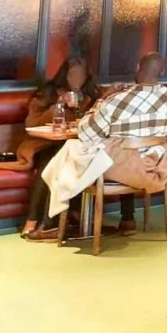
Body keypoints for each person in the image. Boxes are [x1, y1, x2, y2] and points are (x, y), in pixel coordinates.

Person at [43, 52, 167, 233]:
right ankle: (125, 219)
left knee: (70, 151)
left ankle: (52, 224)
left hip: (118, 169)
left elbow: (86, 133)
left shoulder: (118, 100)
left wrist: (101, 100)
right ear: (162, 72)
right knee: (117, 150)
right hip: (155, 169)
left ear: (137, 68)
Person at [20, 58, 100, 240]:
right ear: (65, 75)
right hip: (44, 144)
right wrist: (59, 104)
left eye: (81, 75)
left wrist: (85, 107)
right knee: (49, 164)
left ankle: (65, 218)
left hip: (72, 144)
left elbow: (89, 121)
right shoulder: (48, 93)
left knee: (76, 162)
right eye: (74, 75)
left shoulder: (89, 95)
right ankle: (33, 220)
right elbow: (31, 124)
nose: (78, 80)